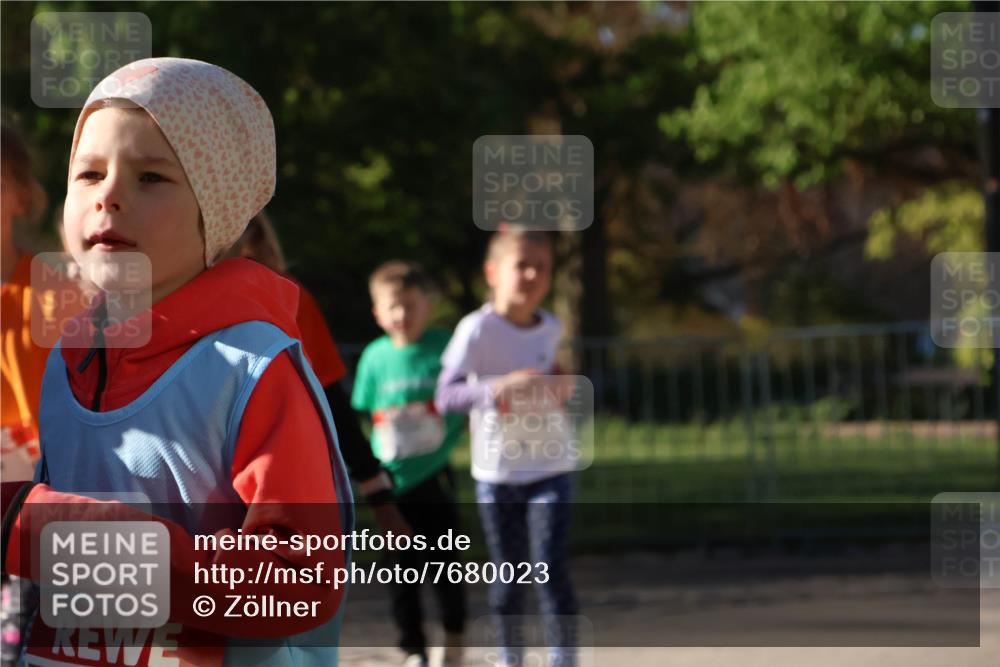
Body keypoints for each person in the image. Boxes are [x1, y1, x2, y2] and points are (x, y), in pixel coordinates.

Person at [1, 58, 352, 667]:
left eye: (152, 178)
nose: (109, 196)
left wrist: (51, 531)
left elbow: (298, 585)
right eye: (87, 174)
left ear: (215, 210)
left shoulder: (250, 368)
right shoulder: (67, 360)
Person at [435, 228, 579, 667]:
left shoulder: (551, 326)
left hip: (552, 465)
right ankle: (510, 656)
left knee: (550, 567)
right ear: (493, 272)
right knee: (510, 575)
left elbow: (555, 376)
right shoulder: (476, 330)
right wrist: (500, 388)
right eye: (522, 264)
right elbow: (446, 396)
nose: (534, 274)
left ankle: (562, 659)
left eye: (543, 266)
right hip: (498, 473)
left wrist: (560, 386)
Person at [224, 212, 411, 536]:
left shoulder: (286, 296)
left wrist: (378, 494)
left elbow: (330, 400)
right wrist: (378, 494)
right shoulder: (288, 293)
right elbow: (333, 402)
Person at [352, 261, 466, 667]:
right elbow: (364, 414)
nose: (402, 316)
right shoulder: (374, 358)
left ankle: (453, 640)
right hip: (393, 486)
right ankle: (413, 649)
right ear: (378, 313)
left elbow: (465, 397)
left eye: (411, 305)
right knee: (401, 575)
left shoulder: (445, 349)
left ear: (428, 306)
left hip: (435, 479)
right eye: (393, 307)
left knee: (447, 569)